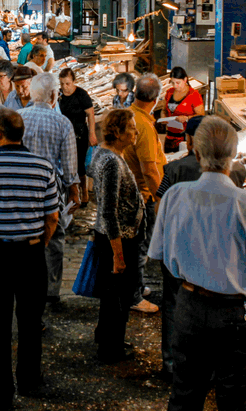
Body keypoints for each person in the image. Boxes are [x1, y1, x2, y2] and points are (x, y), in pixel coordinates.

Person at [149, 116, 246, 410]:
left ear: (196, 154)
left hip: (189, 308)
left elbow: (159, 254)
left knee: (185, 395)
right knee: (234, 400)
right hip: (236, 316)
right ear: (234, 157)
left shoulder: (174, 196)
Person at [0, 108, 60, 409]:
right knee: (30, 320)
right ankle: (29, 378)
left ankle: (1, 383)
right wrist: (39, 242)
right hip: (31, 255)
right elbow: (52, 217)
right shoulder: (43, 167)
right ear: (22, 133)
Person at [156, 114, 246, 381]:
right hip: (222, 251)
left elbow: (160, 206)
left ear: (190, 142)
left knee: (174, 304)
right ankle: (215, 367)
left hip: (181, 250)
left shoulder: (173, 169)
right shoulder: (237, 172)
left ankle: (173, 363)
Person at [89, 108, 145, 363]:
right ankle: (112, 350)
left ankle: (107, 338)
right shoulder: (111, 162)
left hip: (114, 237)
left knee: (112, 297)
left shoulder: (107, 154)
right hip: (118, 239)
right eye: (131, 128)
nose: (135, 131)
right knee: (117, 299)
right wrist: (118, 256)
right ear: (118, 132)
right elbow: (108, 211)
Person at [20, 72, 79, 305]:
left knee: (25, 233)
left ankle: (24, 280)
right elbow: (70, 163)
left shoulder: (17, 117)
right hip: (50, 189)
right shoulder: (62, 122)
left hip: (21, 187)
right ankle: (51, 290)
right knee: (53, 237)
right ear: (54, 95)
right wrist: (74, 190)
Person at [126, 73, 165, 314]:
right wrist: (162, 196)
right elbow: (149, 169)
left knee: (137, 247)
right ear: (156, 99)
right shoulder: (144, 127)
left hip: (132, 192)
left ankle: (137, 286)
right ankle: (133, 296)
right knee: (140, 248)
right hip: (142, 196)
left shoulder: (131, 115)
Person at [58, 68, 97, 204]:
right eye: (62, 84)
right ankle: (69, 193)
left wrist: (92, 133)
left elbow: (90, 114)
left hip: (80, 134)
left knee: (80, 164)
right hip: (63, 135)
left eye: (67, 83)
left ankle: (84, 192)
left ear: (74, 81)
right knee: (65, 163)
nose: (65, 87)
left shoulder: (81, 94)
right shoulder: (59, 95)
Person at [160, 67, 205, 154]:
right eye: (173, 83)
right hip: (170, 137)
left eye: (178, 82)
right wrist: (163, 117)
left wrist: (187, 118)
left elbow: (201, 115)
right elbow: (164, 110)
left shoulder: (194, 95)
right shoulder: (169, 92)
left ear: (185, 80)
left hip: (186, 138)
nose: (175, 86)